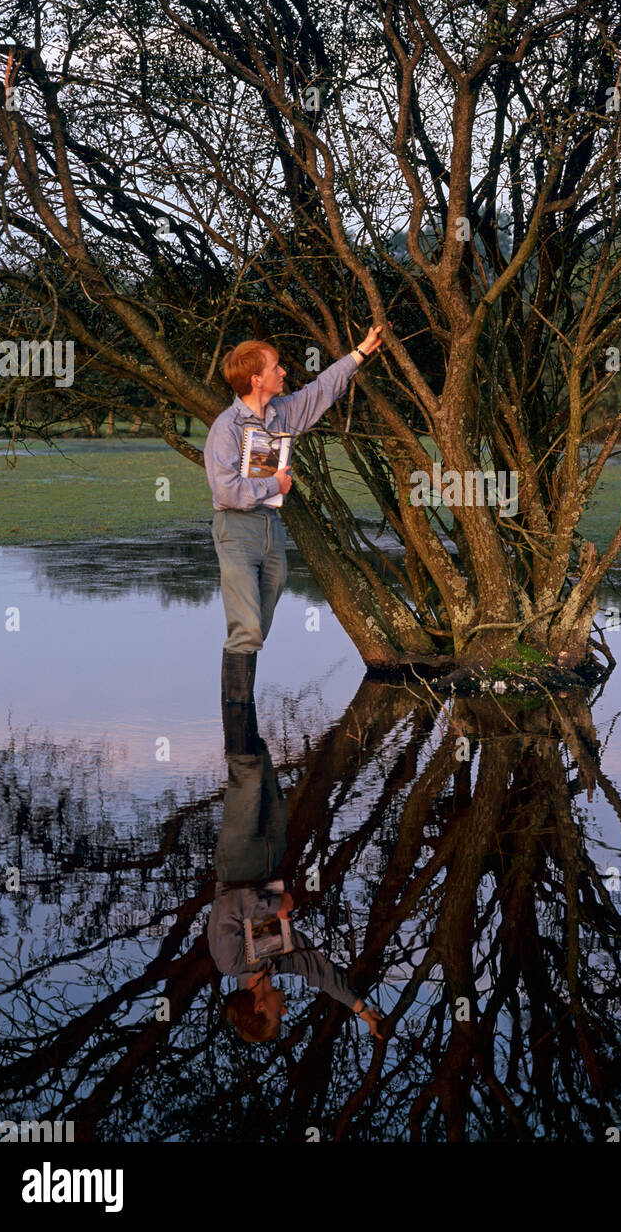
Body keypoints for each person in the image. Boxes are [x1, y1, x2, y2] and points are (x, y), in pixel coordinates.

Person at [204, 328, 386, 703]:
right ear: (256, 379)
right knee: (247, 629)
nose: (283, 371)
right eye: (276, 367)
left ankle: (243, 729)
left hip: (271, 527)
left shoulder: (281, 414)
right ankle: (238, 733)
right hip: (236, 530)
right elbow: (226, 492)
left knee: (258, 629)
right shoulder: (226, 429)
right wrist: (274, 485)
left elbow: (323, 389)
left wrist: (361, 353)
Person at [208, 699, 384, 1044]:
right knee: (258, 753)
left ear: (259, 1008)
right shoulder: (276, 960)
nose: (285, 1010)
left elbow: (229, 907)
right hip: (272, 855)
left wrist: (276, 904)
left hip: (239, 862)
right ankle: (245, 675)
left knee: (245, 769)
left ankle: (239, 655)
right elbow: (318, 970)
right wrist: (361, 1009)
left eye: (277, 1015)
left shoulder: (229, 962)